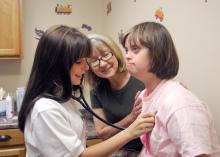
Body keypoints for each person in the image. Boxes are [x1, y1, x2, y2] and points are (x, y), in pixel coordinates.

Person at [18, 25, 155, 157]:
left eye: (86, 60)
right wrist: (130, 131)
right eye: (79, 61)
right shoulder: (45, 110)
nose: (87, 67)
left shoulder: (64, 99)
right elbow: (80, 154)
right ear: (56, 64)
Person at [122, 21, 220, 157]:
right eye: (126, 50)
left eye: (135, 49)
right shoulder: (144, 96)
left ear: (157, 52)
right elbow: (150, 148)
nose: (127, 56)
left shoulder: (179, 103)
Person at [86, 34, 144, 157]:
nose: (102, 64)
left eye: (106, 54)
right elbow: (103, 133)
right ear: (89, 67)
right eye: (94, 60)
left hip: (148, 147)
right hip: (119, 150)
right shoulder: (96, 91)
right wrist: (131, 118)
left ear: (115, 53)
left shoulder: (140, 75)